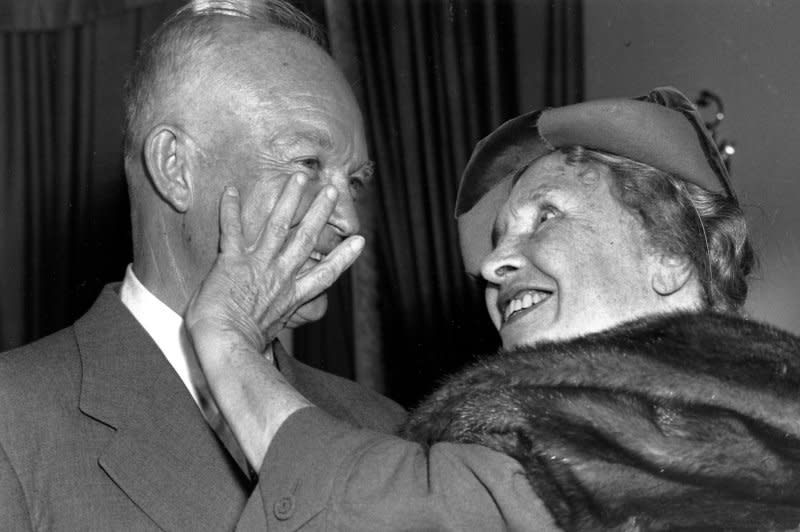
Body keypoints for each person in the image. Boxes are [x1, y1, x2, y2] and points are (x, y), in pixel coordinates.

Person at [187, 87, 800, 531]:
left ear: (670, 255)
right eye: (501, 236)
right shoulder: (755, 420)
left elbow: (387, 511)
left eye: (547, 216)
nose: (491, 264)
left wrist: (226, 336)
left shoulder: (596, 449)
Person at [0, 1, 405, 530]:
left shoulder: (386, 429)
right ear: (176, 169)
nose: (348, 219)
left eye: (353, 182)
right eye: (308, 164)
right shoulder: (14, 420)